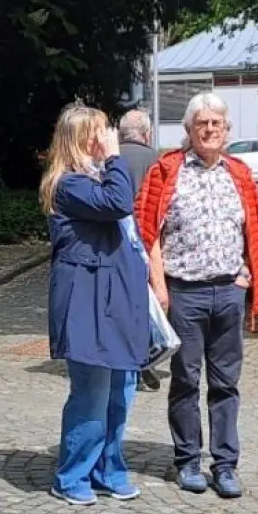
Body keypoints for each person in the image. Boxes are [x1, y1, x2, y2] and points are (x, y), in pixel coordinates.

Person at [133, 93, 258, 498]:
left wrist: (247, 270)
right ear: (190, 130)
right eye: (202, 124)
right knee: (185, 379)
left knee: (226, 382)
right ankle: (188, 460)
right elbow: (149, 233)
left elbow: (255, 230)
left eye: (217, 123)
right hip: (184, 293)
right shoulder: (167, 171)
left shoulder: (240, 174)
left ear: (227, 130)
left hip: (228, 293)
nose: (210, 130)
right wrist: (158, 286)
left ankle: (226, 464)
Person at [40, 104, 151, 505]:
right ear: (80, 139)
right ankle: (72, 475)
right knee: (92, 392)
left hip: (115, 297)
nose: (108, 138)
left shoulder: (98, 177)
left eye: (109, 131)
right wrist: (116, 157)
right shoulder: (69, 185)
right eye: (100, 131)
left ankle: (109, 467)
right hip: (87, 301)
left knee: (122, 389)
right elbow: (118, 202)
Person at [116, 109, 160, 391]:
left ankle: (124, 357)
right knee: (151, 303)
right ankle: (148, 357)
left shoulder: (110, 158)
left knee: (121, 301)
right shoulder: (156, 159)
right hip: (150, 238)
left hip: (116, 240)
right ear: (147, 133)